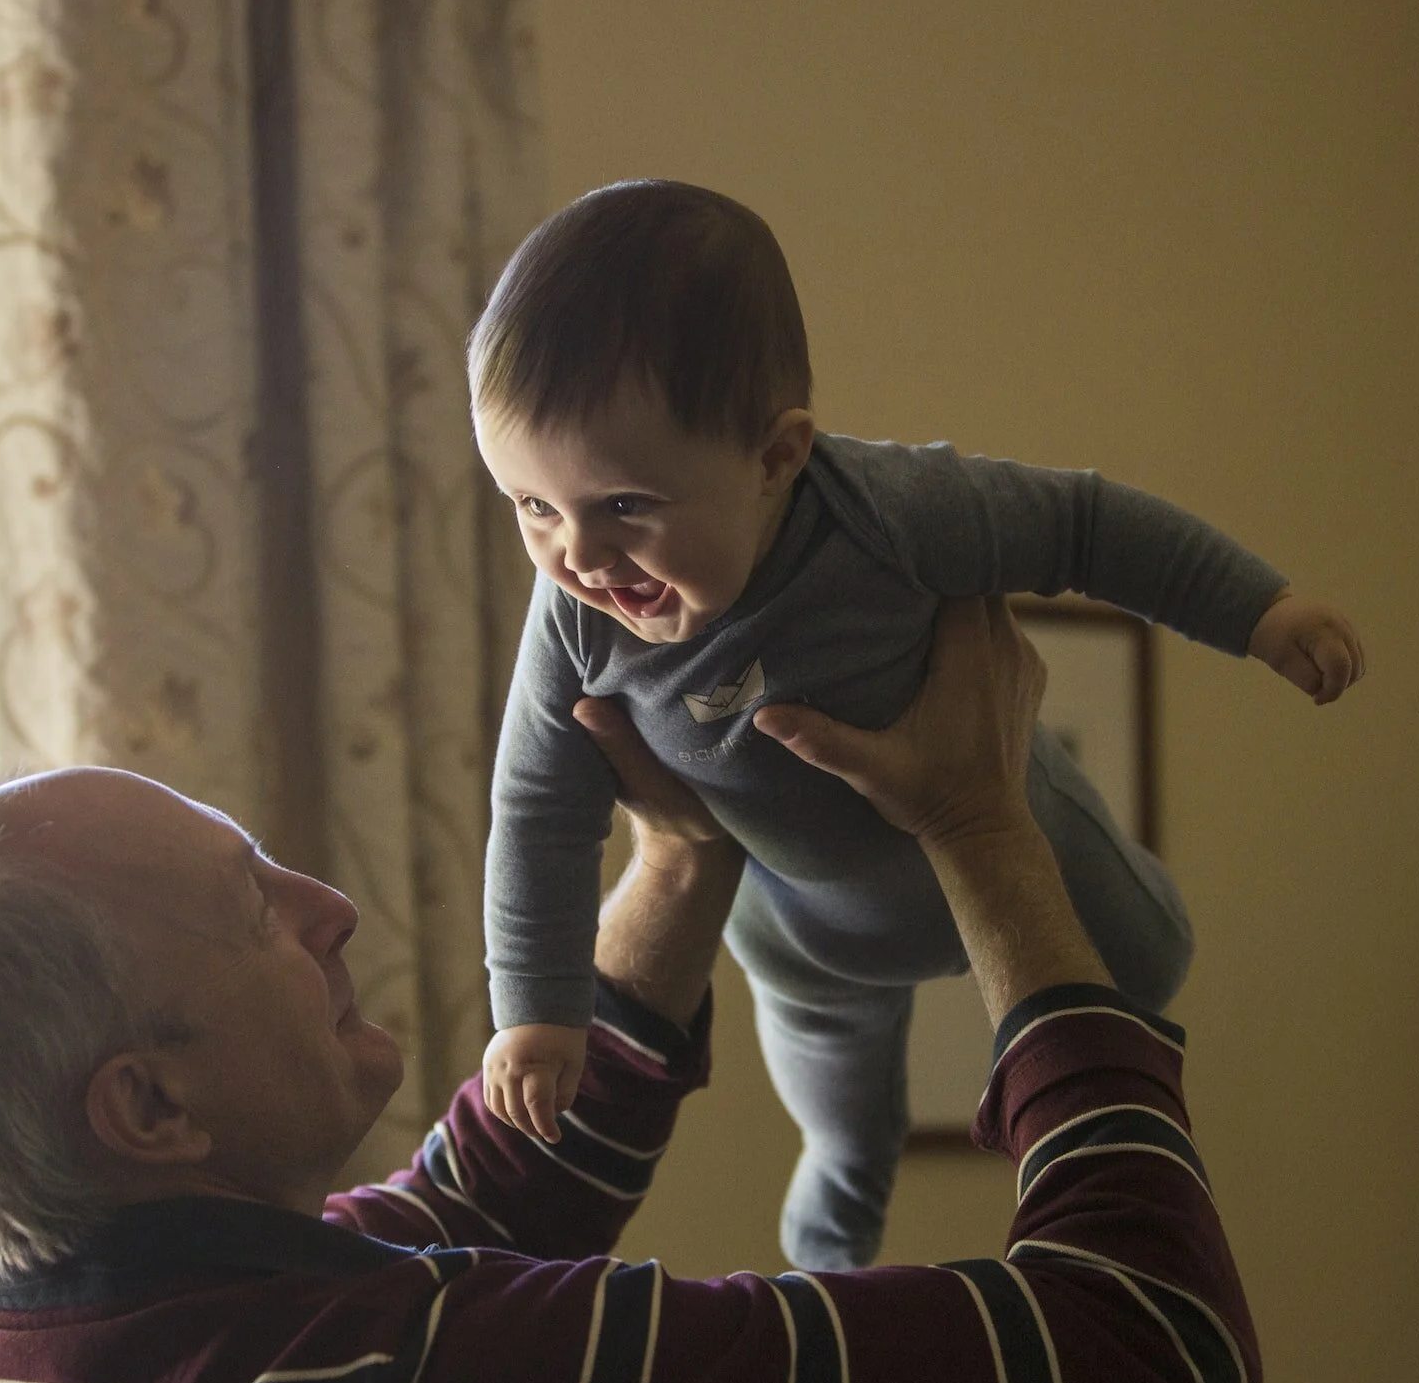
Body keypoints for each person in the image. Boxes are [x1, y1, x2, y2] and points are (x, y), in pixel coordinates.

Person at [0, 597, 1261, 1383]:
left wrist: (682, 853)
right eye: (253, 910)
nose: (328, 907)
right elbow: (1149, 1336)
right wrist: (982, 825)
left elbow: (473, 1200)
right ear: (151, 1104)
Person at [474, 178, 1366, 1268]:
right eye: (530, 505)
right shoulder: (573, 619)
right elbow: (536, 808)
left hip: (1014, 829)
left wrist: (1260, 611)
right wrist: (536, 1009)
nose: (578, 555)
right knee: (846, 1127)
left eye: (624, 505)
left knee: (1151, 961)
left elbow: (1085, 525)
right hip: (807, 935)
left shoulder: (888, 512)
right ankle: (830, 1259)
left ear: (775, 457)